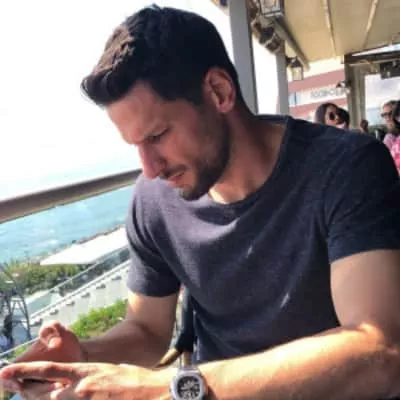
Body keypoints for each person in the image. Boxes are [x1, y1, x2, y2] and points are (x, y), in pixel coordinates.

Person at [2, 5, 400, 400]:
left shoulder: (346, 167)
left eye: (157, 136)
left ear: (219, 91)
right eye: (136, 145)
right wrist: (84, 355)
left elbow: (380, 351)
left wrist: (173, 387)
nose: (150, 169)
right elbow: (147, 331)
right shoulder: (153, 200)